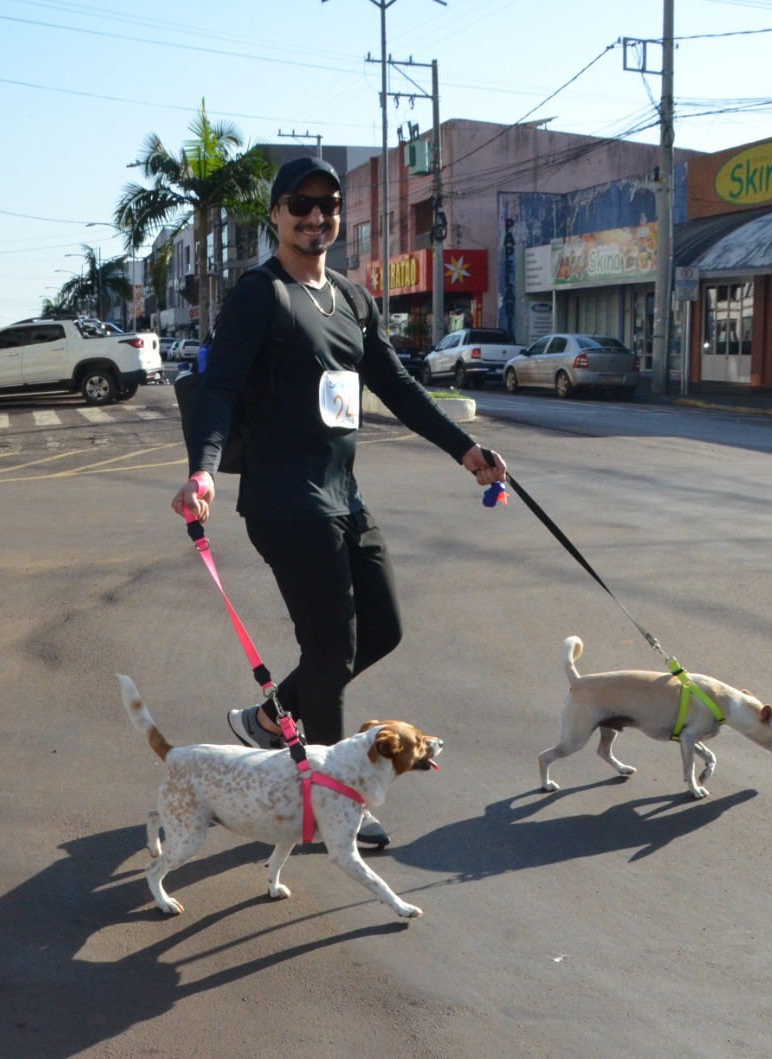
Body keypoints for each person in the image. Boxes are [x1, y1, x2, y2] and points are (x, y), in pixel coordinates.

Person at [170, 156, 506, 849]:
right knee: (329, 648)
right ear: (276, 214)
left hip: (341, 492)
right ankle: (327, 805)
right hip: (283, 500)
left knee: (380, 627)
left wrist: (465, 450)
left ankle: (272, 717)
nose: (316, 216)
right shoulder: (260, 295)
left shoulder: (353, 299)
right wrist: (202, 471)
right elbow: (220, 390)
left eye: (327, 205)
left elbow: (401, 388)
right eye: (302, 204)